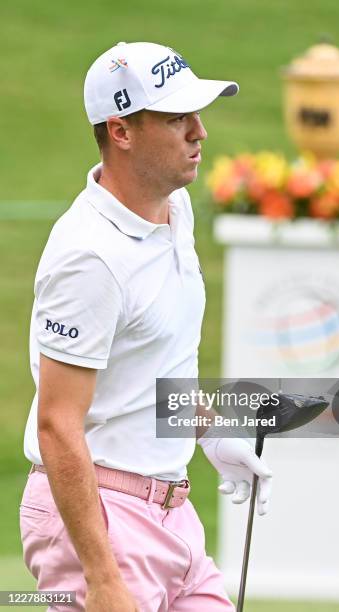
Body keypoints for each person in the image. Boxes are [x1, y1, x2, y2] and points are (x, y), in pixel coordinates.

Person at [20, 41, 272, 612]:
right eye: (176, 117)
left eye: (197, 115)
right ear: (122, 131)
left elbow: (154, 364)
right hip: (99, 521)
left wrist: (209, 431)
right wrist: (101, 578)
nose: (200, 132)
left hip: (173, 516)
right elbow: (58, 424)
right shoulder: (89, 257)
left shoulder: (173, 212)